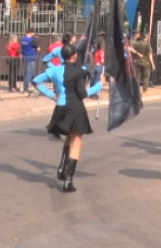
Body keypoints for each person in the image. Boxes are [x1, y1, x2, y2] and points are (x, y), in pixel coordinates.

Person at [33, 44, 103, 193]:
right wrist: (99, 85)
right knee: (76, 141)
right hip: (75, 108)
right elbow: (83, 94)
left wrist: (52, 95)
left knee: (70, 137)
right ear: (75, 56)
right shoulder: (79, 72)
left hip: (60, 107)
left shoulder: (53, 70)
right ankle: (68, 181)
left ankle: (62, 168)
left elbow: (36, 81)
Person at [20, 28, 39, 93]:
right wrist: (36, 49)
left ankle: (26, 86)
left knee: (26, 73)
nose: (34, 34)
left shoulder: (22, 39)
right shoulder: (32, 40)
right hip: (31, 57)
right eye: (33, 33)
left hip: (25, 57)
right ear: (31, 32)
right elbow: (38, 48)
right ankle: (26, 88)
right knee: (29, 73)